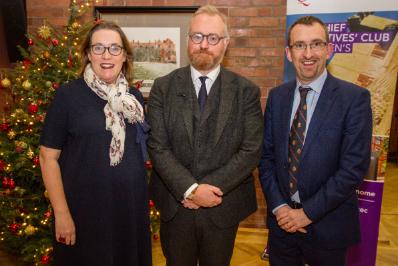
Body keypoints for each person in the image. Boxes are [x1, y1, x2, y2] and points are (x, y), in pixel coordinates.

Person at [147, 5, 263, 266]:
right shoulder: (162, 88)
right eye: (197, 37)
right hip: (176, 207)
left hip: (223, 206)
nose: (204, 45)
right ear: (188, 40)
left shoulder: (246, 91)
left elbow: (251, 150)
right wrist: (190, 189)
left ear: (226, 43)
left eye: (213, 38)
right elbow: (157, 146)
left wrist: (205, 191)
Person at [259, 15, 372, 266]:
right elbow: (266, 159)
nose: (308, 53)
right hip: (282, 226)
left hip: (329, 226)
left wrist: (307, 213)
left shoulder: (354, 99)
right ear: (289, 53)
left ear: (329, 50)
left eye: (316, 44)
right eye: (299, 45)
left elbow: (352, 169)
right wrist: (280, 208)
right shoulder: (277, 97)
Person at [39, 21, 151, 266]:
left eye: (114, 48)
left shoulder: (134, 99)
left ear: (124, 55)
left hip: (129, 212)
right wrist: (62, 213)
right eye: (98, 48)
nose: (106, 55)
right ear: (88, 54)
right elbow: (48, 158)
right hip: (84, 213)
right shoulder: (68, 96)